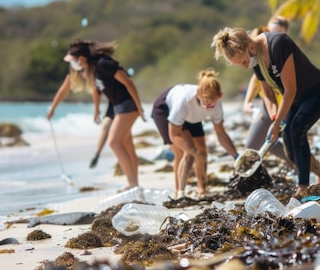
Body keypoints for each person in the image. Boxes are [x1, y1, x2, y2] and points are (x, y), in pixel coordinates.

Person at [212, 27, 320, 195]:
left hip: (318, 92)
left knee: (296, 130)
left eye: (244, 62)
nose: (246, 66)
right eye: (241, 65)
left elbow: (290, 90)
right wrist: (275, 117)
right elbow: (267, 94)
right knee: (289, 145)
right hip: (295, 101)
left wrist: (276, 124)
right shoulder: (256, 61)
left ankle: (303, 186)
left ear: (250, 46)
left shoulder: (278, 44)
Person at [65, 39, 146, 192]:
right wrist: (96, 110)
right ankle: (134, 184)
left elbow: (128, 82)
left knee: (114, 142)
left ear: (81, 58)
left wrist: (139, 107)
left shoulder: (103, 64)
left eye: (74, 60)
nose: (73, 65)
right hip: (118, 106)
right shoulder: (92, 68)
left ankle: (132, 184)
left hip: (127, 105)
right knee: (127, 146)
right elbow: (96, 90)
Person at [151, 69, 239, 199]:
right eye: (206, 102)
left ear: (219, 96)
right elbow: (174, 135)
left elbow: (221, 133)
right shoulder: (184, 102)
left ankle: (202, 190)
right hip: (166, 109)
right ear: (198, 93)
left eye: (212, 103)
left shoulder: (216, 105)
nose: (209, 106)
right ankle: (179, 193)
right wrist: (193, 152)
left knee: (202, 151)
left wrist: (236, 156)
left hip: (193, 115)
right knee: (184, 152)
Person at [46, 59, 114, 169]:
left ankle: (99, 155)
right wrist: (53, 108)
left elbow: (95, 91)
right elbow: (64, 90)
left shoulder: (93, 68)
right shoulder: (76, 70)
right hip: (114, 101)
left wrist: (96, 110)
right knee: (109, 129)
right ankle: (97, 154)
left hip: (119, 100)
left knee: (115, 136)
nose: (81, 75)